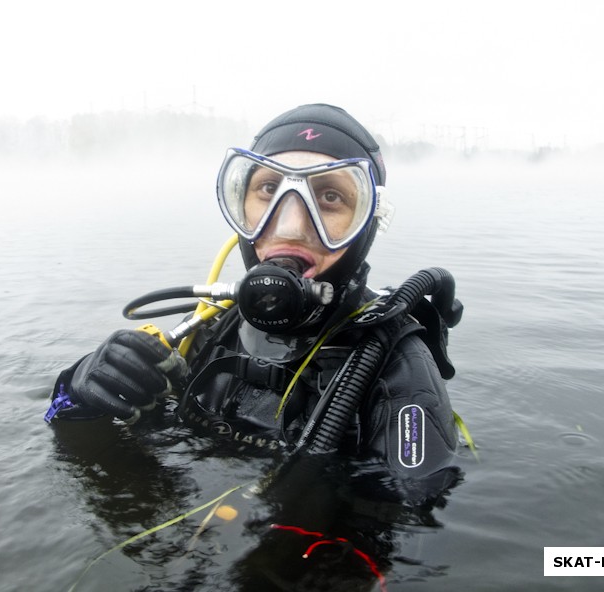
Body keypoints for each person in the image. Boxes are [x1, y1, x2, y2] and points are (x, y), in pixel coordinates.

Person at [45, 103, 462, 490]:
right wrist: (78, 393)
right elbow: (86, 441)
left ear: (367, 223)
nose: (292, 227)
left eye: (330, 197)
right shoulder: (210, 326)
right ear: (240, 203)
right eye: (268, 190)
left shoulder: (396, 367)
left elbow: (412, 525)